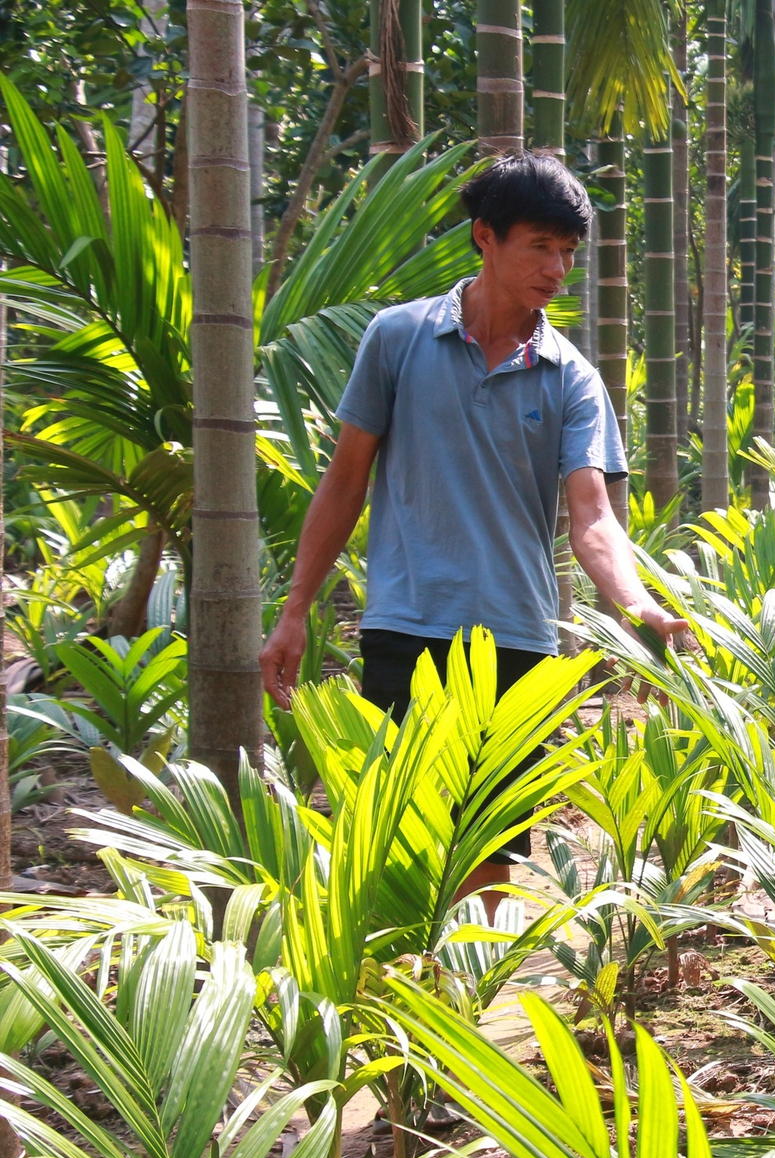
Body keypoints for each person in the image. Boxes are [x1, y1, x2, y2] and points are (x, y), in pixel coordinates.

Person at [260, 150, 687, 907]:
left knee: (490, 844)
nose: (558, 268)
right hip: (404, 622)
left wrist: (639, 605)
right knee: (397, 836)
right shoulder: (396, 339)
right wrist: (294, 610)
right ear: (485, 237)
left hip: (515, 639)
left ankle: (463, 1004)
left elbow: (591, 519)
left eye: (568, 252)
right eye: (541, 246)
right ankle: (402, 1005)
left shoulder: (571, 375)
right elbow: (345, 481)